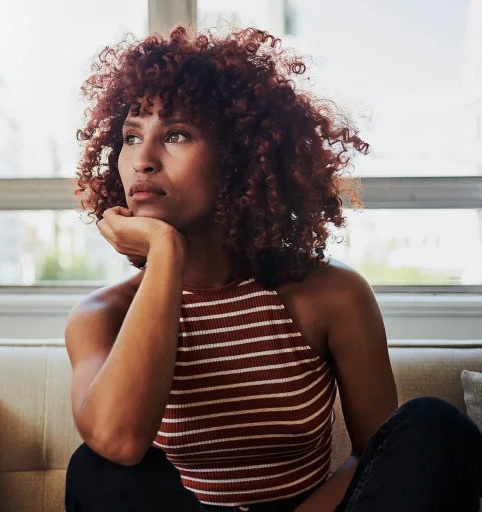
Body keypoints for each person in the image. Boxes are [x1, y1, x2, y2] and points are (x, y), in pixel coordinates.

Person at [63, 24, 482, 512]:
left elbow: (377, 461)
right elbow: (118, 441)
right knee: (98, 469)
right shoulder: (103, 315)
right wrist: (165, 253)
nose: (143, 160)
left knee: (434, 428)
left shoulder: (330, 296)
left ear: (238, 158)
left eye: (176, 134)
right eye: (131, 137)